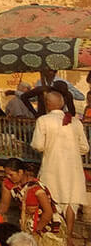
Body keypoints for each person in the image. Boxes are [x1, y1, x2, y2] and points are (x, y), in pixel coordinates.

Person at [31, 87, 88, 238]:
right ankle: (68, 234)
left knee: (53, 201)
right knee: (71, 201)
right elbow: (85, 148)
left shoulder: (43, 120)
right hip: (73, 168)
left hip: (52, 167)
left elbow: (38, 145)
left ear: (48, 104)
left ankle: (55, 236)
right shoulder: (75, 122)